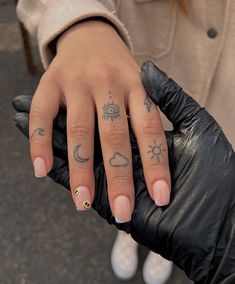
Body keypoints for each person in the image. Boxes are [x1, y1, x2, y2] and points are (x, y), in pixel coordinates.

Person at [16, 1, 235, 283]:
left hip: (226, 120)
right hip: (136, 104)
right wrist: (82, 23)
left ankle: (162, 243)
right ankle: (127, 227)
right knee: (126, 178)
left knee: (189, 202)